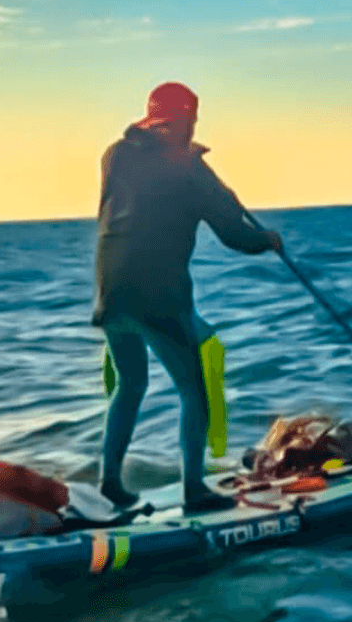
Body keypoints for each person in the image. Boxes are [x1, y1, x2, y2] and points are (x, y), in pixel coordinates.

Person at [92, 82, 283, 513]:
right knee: (193, 390)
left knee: (130, 384)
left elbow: (155, 167)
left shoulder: (115, 156)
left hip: (111, 287)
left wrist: (207, 180)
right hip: (157, 293)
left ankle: (109, 483)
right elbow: (234, 235)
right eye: (191, 121)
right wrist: (267, 239)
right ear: (182, 122)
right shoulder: (192, 173)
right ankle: (194, 490)